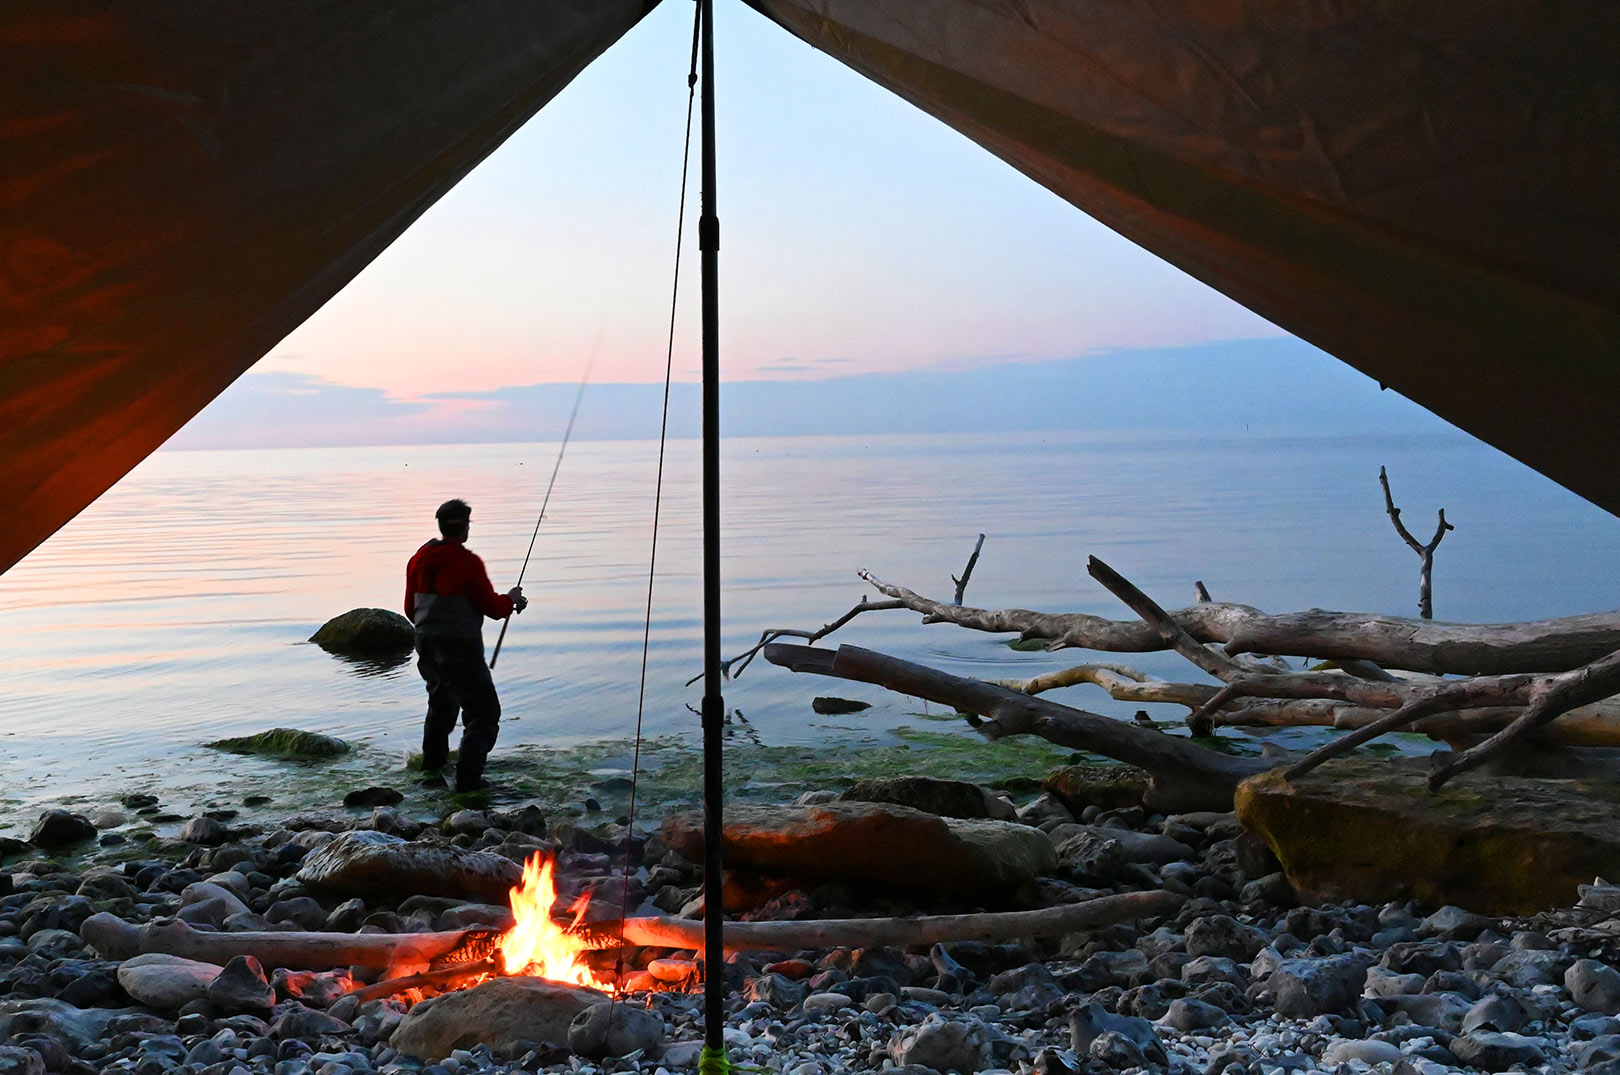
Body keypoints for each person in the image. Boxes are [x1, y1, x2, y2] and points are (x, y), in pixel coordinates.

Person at [404, 498, 527, 792]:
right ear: (464, 527)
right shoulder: (467, 562)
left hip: (426, 645)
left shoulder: (419, 558)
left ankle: (432, 771)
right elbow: (493, 607)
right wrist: (511, 598)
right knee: (484, 714)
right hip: (460, 649)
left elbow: (410, 610)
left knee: (440, 708)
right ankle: (468, 781)